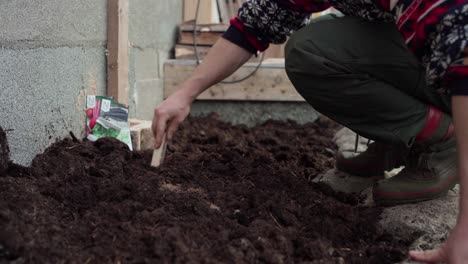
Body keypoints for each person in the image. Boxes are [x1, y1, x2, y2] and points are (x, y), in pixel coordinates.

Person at [152, 1, 467, 262]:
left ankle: (444, 140)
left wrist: (464, 232)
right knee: (316, 45)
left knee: (314, 49)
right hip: (430, 44)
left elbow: (463, 61)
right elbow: (256, 23)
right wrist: (185, 93)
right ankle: (401, 139)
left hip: (456, 59)